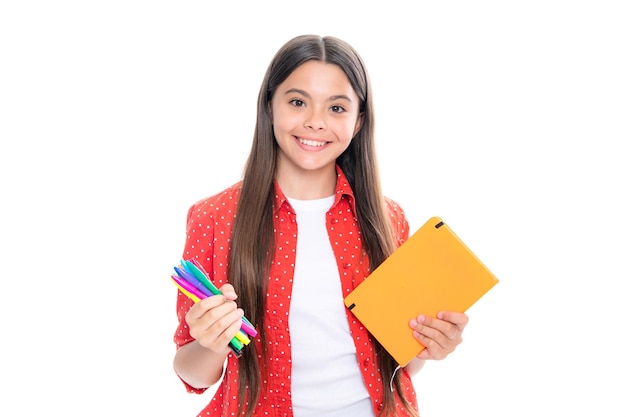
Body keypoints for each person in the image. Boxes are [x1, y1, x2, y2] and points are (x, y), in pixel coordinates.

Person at [172, 34, 469, 417]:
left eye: (337, 108)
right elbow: (191, 372)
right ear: (269, 107)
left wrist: (429, 345)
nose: (315, 122)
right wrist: (211, 342)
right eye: (297, 102)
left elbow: (403, 363)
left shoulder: (388, 218)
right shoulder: (214, 217)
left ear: (359, 120)